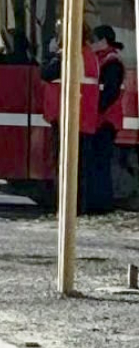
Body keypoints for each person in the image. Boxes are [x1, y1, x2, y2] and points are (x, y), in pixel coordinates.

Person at [41, 22, 100, 214]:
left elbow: (46, 73)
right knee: (80, 167)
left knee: (64, 164)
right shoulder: (90, 55)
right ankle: (77, 207)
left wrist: (52, 52)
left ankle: (66, 209)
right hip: (85, 118)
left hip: (68, 117)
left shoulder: (68, 54)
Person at [90, 25, 124, 213]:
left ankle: (101, 204)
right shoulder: (106, 59)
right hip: (103, 119)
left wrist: (95, 109)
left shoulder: (111, 62)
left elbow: (109, 92)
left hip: (105, 120)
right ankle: (99, 202)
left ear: (103, 41)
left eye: (93, 40)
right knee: (99, 162)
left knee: (100, 163)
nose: (90, 44)